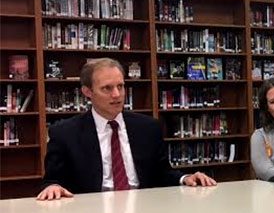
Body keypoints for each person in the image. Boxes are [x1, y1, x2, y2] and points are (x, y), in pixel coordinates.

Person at [36, 59, 216, 200]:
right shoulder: (65, 133)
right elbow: (53, 180)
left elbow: (162, 173)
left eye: (120, 86)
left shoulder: (148, 128)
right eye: (107, 88)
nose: (117, 95)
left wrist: (186, 178)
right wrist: (52, 186)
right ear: (87, 92)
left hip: (143, 211)